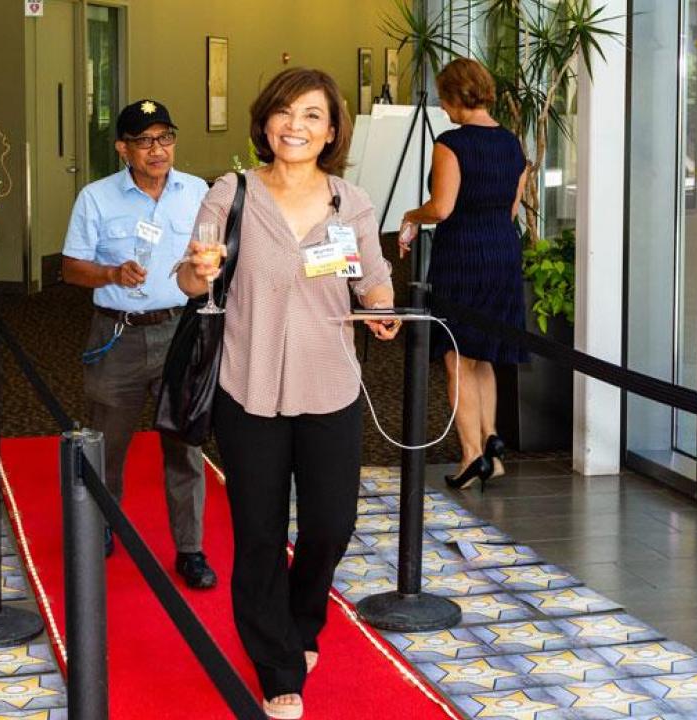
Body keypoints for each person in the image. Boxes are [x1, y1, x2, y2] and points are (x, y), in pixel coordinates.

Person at [179, 68, 399, 720]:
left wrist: (380, 308)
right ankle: (278, 665)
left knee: (331, 526)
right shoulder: (233, 192)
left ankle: (302, 621)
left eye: (311, 115)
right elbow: (192, 277)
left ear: (331, 132)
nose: (294, 126)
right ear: (265, 121)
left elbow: (373, 277)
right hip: (248, 388)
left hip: (330, 385)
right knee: (259, 534)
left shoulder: (348, 202)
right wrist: (198, 268)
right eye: (284, 112)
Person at [61, 98, 217, 590]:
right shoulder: (96, 198)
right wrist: (111, 273)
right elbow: (70, 268)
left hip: (180, 332)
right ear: (122, 149)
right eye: (145, 141)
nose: (158, 150)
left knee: (185, 446)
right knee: (107, 445)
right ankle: (101, 526)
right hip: (119, 334)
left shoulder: (198, 192)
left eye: (165, 138)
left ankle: (190, 548)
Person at [399, 57, 528, 490]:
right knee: (484, 353)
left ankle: (472, 454)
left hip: (463, 254)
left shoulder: (451, 143)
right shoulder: (512, 143)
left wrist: (411, 216)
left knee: (457, 357)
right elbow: (512, 208)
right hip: (503, 251)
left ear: (457, 96)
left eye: (444, 98)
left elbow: (442, 207)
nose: (443, 107)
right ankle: (492, 442)